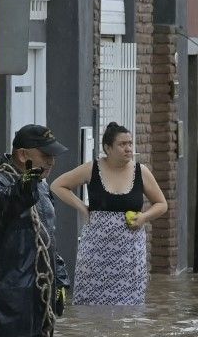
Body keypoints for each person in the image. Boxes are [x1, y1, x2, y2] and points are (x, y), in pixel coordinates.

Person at [0, 124, 70, 337]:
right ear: (23, 155)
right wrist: (23, 189)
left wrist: (60, 282)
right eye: (45, 155)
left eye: (53, 156)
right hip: (7, 306)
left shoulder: (40, 185)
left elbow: (47, 237)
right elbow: (0, 207)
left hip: (36, 302)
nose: (51, 161)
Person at [50, 122, 167, 305]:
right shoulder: (92, 169)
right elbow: (57, 185)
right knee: (90, 306)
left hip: (129, 255)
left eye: (130, 143)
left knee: (129, 309)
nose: (128, 148)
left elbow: (161, 204)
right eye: (122, 144)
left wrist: (143, 217)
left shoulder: (141, 171)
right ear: (107, 148)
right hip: (95, 253)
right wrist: (82, 207)